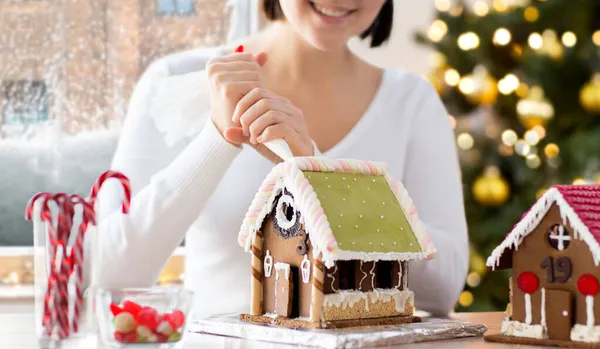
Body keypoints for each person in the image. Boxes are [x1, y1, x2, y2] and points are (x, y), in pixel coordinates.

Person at [97, 0, 469, 317]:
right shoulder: (177, 85)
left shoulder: (411, 102)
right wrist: (217, 138)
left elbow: (444, 288)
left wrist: (317, 178)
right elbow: (113, 273)